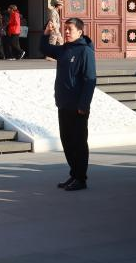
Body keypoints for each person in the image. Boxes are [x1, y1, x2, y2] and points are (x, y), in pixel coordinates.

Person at [41, 18, 97, 191]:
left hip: (78, 106)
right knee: (67, 142)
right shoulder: (65, 49)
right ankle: (74, 174)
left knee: (78, 143)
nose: (66, 32)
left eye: (69, 29)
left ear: (79, 32)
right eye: (65, 29)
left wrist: (84, 105)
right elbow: (45, 49)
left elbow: (90, 80)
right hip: (63, 104)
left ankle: (81, 179)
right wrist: (46, 34)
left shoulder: (85, 51)